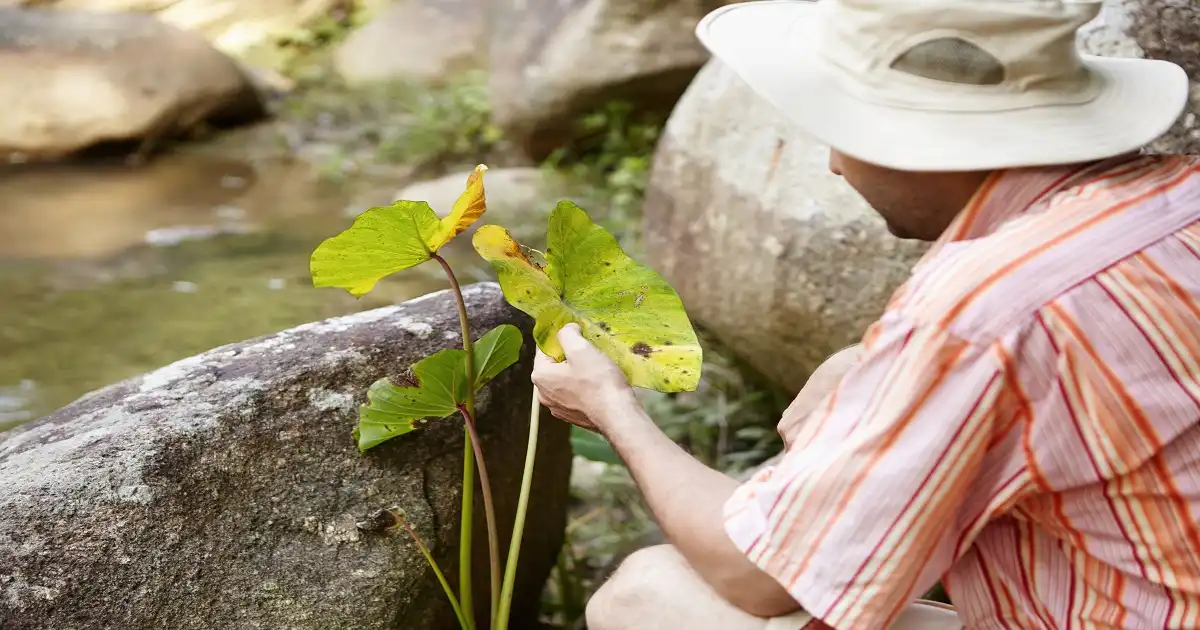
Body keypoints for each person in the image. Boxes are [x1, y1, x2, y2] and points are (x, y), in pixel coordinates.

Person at [532, 0, 1200, 628]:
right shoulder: (1182, 193)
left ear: (920, 142)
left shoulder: (980, 311)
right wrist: (862, 361)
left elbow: (759, 577)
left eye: (842, 133)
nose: (833, 165)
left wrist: (612, 408)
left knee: (647, 595)